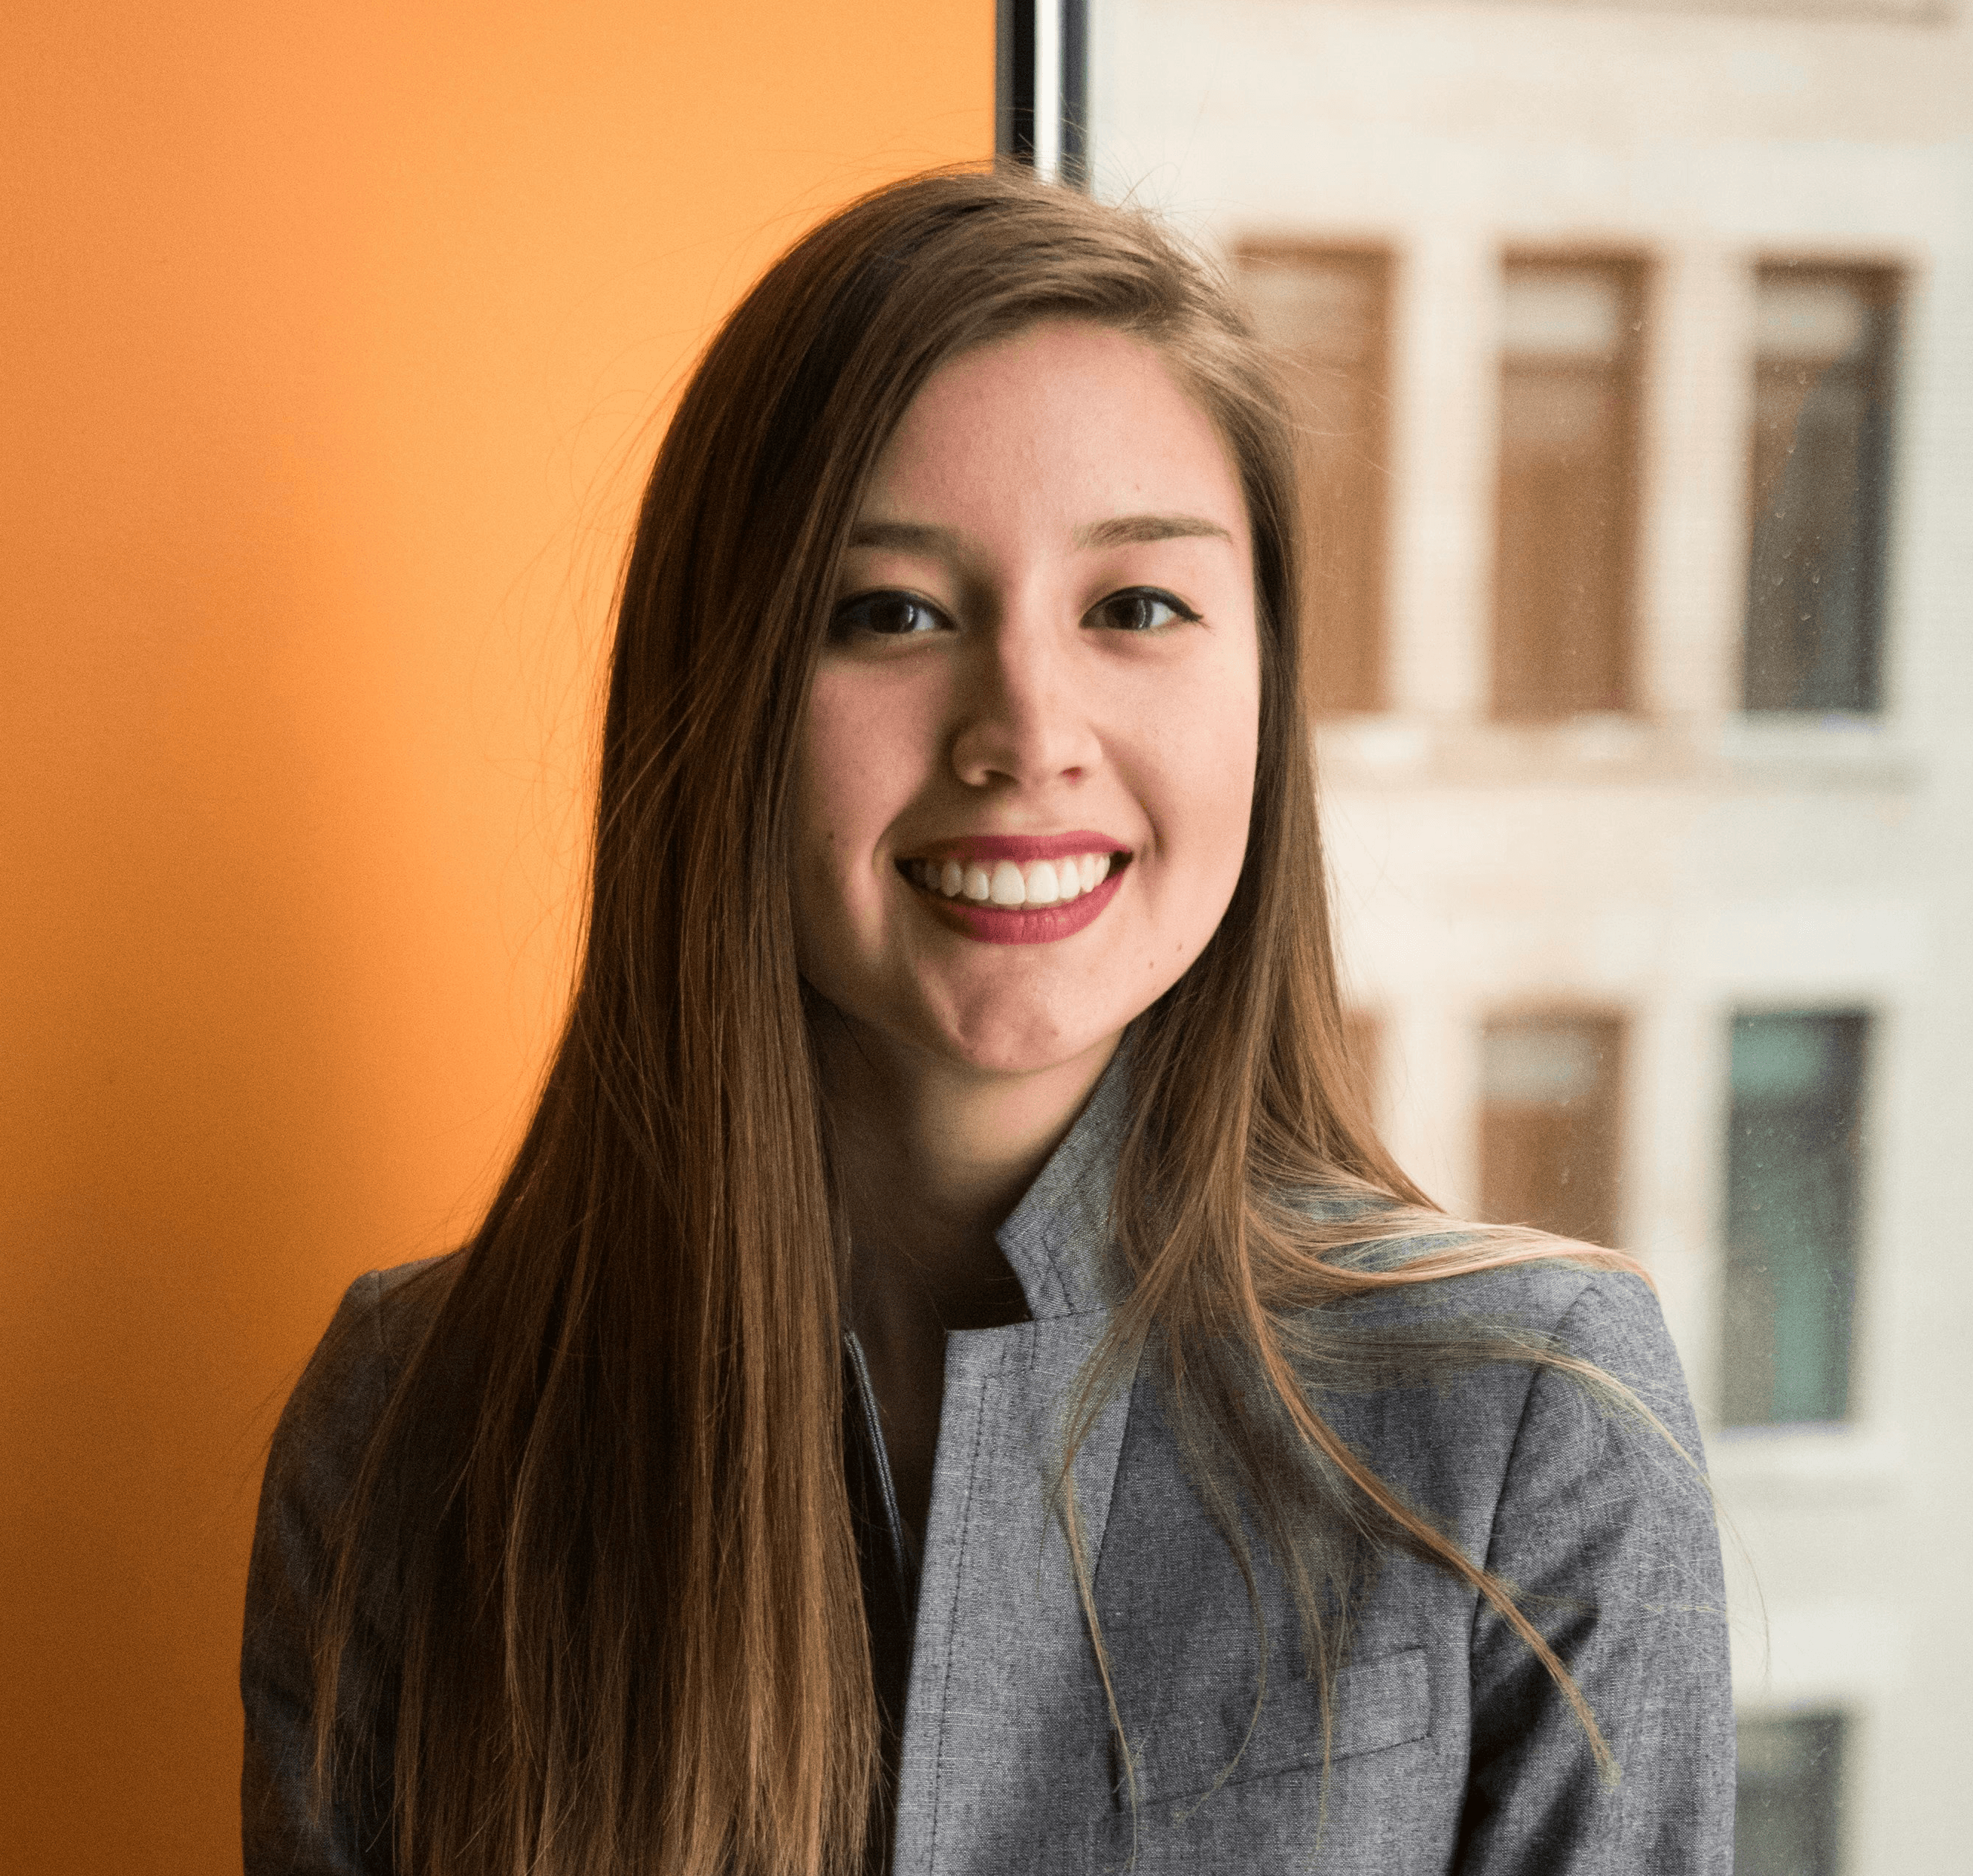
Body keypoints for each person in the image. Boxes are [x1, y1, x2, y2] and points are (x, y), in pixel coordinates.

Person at [241, 167, 1733, 1876]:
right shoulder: (411, 1429)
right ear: (716, 699)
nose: (1026, 732)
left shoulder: (1528, 1418)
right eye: (891, 613)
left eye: (1134, 609)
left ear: (1262, 685)